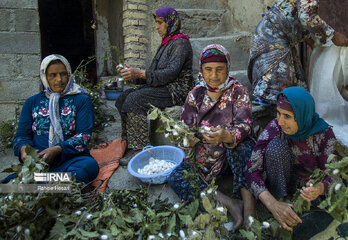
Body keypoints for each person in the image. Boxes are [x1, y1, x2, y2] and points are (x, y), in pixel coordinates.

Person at [245, 87, 348, 231]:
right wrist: (272, 203)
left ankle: (300, 210)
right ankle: (282, 205)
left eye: (287, 116)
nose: (280, 121)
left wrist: (319, 188)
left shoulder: (323, 134)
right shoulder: (275, 127)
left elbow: (334, 173)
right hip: (281, 184)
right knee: (276, 147)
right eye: (278, 114)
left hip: (309, 191)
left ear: (302, 115)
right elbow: (251, 169)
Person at [168, 44, 256, 231]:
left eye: (219, 69)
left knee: (243, 148)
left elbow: (245, 125)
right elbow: (184, 129)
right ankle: (230, 202)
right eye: (208, 69)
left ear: (228, 69)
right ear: (201, 70)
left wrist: (227, 135)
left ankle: (249, 208)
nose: (214, 75)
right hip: (203, 159)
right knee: (176, 177)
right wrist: (188, 140)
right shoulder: (196, 95)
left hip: (229, 159)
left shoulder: (238, 92)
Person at [9, 54, 99, 184]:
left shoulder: (81, 100)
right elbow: (21, 136)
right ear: (44, 77)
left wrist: (57, 149)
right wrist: (24, 151)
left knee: (89, 167)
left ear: (69, 74)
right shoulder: (32, 102)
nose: (59, 80)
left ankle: (38, 185)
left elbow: (83, 135)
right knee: (6, 186)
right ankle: (54, 186)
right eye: (53, 75)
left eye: (63, 74)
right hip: (39, 163)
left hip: (71, 160)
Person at [115, 7, 193, 152]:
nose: (157, 27)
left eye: (160, 23)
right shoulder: (167, 43)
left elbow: (170, 73)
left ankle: (140, 149)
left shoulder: (181, 43)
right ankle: (128, 141)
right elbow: (154, 73)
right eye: (156, 23)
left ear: (171, 22)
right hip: (164, 86)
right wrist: (132, 73)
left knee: (135, 99)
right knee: (123, 97)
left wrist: (140, 74)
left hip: (177, 90)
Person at [248, 0, 348, 107]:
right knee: (280, 90)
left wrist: (312, 42)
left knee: (289, 87)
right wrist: (334, 36)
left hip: (272, 36)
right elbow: (307, 17)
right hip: (273, 39)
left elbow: (295, 17)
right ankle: (277, 115)